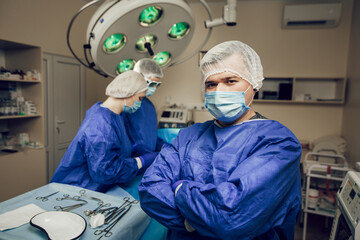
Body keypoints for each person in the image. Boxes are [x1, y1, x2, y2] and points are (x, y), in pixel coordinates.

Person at [138, 40, 302, 240]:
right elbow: (150, 189)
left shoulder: (278, 143)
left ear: (254, 83)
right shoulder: (188, 136)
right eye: (211, 84)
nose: (219, 91)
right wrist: (191, 223)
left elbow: (232, 219)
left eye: (231, 81)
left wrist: (180, 187)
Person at [51, 70, 157, 193]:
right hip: (76, 190)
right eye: (140, 98)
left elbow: (109, 149)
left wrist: (132, 149)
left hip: (93, 189)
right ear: (128, 93)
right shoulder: (101, 124)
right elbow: (105, 172)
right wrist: (141, 161)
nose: (140, 103)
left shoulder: (112, 115)